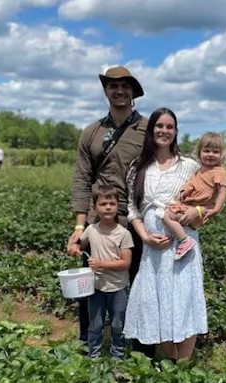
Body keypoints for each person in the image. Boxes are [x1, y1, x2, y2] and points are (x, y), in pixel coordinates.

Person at [66, 66, 154, 357]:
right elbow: (82, 178)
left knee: (137, 280)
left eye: (125, 86)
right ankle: (88, 343)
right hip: (96, 220)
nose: (119, 91)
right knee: (90, 283)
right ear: (106, 91)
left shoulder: (147, 129)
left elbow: (163, 165)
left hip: (135, 220)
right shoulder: (92, 131)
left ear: (133, 92)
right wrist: (80, 227)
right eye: (113, 86)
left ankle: (137, 346)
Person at [123, 107, 208, 363]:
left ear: (176, 132)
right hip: (153, 250)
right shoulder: (138, 167)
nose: (164, 131)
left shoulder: (189, 166)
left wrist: (195, 212)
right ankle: (171, 360)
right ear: (151, 131)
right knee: (154, 303)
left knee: (184, 300)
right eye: (159, 126)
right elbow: (132, 208)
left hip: (182, 245)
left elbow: (207, 198)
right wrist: (145, 236)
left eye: (170, 127)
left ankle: (182, 365)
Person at [69, 185, 133, 359]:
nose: (108, 207)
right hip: (96, 287)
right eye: (103, 203)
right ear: (95, 208)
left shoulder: (123, 233)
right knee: (95, 324)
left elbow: (126, 262)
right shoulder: (92, 230)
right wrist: (74, 246)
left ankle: (117, 357)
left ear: (118, 206)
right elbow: (80, 245)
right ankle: (94, 356)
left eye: (112, 203)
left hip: (118, 287)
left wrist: (101, 264)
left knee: (118, 324)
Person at [163, 132, 226, 260]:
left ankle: (184, 240)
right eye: (206, 151)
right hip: (191, 206)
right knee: (171, 211)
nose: (210, 154)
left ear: (221, 155)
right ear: (199, 153)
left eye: (215, 152)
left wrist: (215, 210)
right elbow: (191, 184)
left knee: (166, 215)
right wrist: (184, 192)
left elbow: (222, 193)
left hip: (199, 210)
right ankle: (180, 238)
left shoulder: (219, 172)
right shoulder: (200, 170)